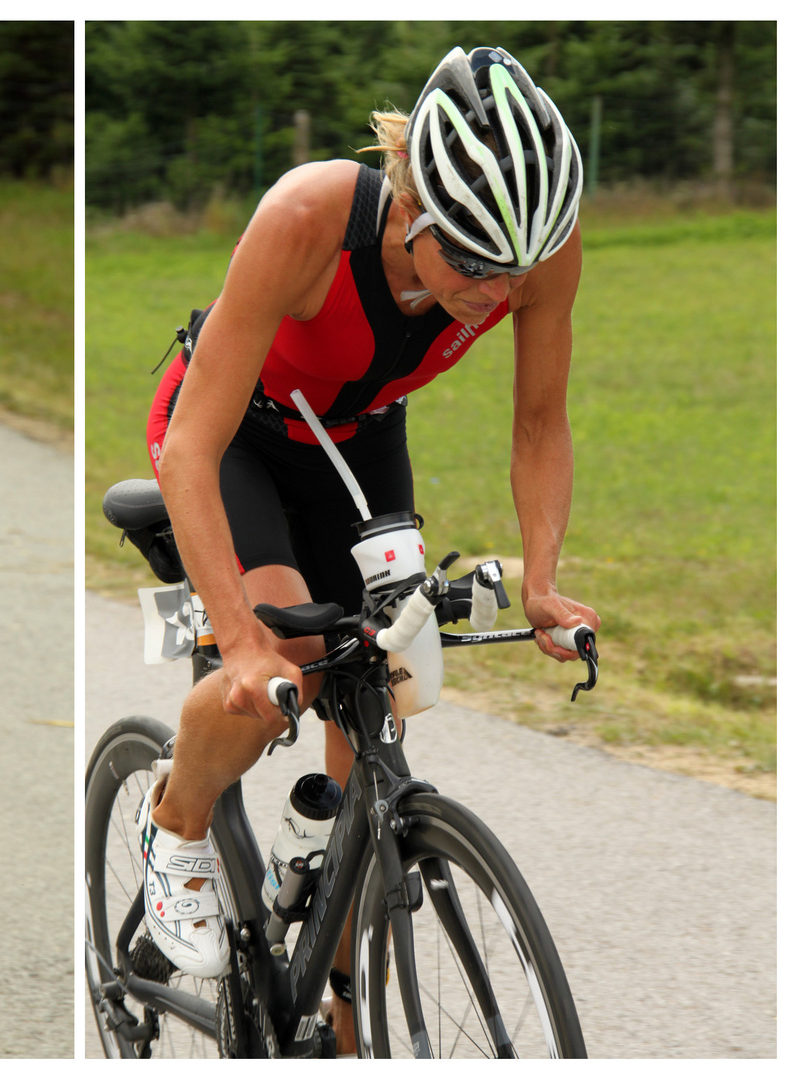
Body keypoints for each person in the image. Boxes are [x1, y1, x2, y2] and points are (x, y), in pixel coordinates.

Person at [140, 46, 596, 1051]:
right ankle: (173, 826)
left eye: (515, 266)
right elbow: (188, 448)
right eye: (472, 263)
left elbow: (538, 423)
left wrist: (546, 581)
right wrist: (239, 637)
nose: (495, 291)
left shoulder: (533, 253)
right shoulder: (306, 219)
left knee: (384, 686)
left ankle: (345, 1011)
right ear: (412, 210)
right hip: (233, 438)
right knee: (287, 661)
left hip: (355, 444)